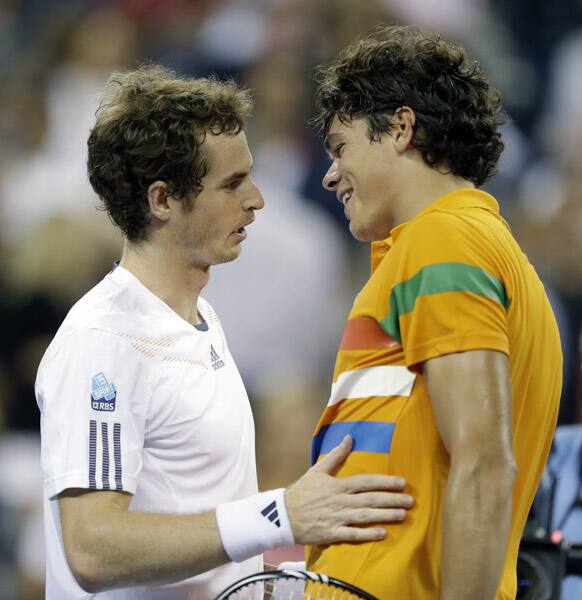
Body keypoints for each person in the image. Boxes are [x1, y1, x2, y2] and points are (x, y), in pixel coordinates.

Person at [34, 65, 414, 600]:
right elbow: (91, 548)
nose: (257, 200)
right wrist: (280, 513)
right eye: (233, 183)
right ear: (162, 200)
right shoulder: (105, 341)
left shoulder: (200, 319)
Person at [306, 25, 562, 600]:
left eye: (340, 147)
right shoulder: (451, 244)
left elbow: (486, 462)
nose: (329, 175)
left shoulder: (443, 240)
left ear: (400, 128)